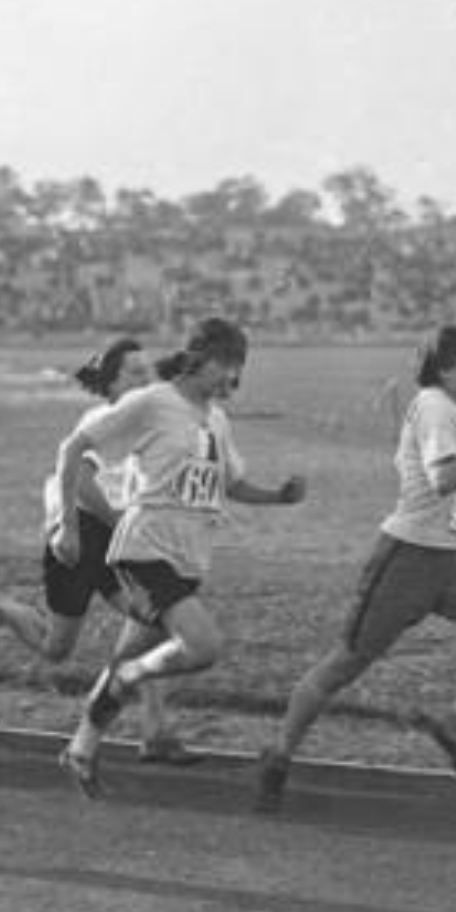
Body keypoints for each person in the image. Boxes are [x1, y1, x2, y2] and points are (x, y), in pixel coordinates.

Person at [253, 323, 456, 814]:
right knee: (346, 664)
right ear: (445, 367)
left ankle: (454, 725)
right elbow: (443, 479)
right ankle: (278, 756)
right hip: (407, 560)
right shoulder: (433, 405)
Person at [53, 317, 307, 799]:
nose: (233, 379)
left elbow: (230, 484)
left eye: (239, 368)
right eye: (226, 367)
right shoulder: (153, 402)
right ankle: (130, 682)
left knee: (128, 657)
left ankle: (81, 749)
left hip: (188, 559)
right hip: (145, 548)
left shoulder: (217, 419)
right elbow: (75, 447)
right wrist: (67, 524)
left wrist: (279, 497)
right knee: (203, 645)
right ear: (199, 360)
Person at [0, 336, 203, 765]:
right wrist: (91, 527)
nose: (146, 377)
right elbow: (78, 479)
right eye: (134, 371)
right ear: (112, 384)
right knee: (56, 648)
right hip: (82, 535)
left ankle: (155, 732)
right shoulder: (103, 417)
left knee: (155, 626)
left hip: (118, 542)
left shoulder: (150, 422)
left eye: (148, 370)